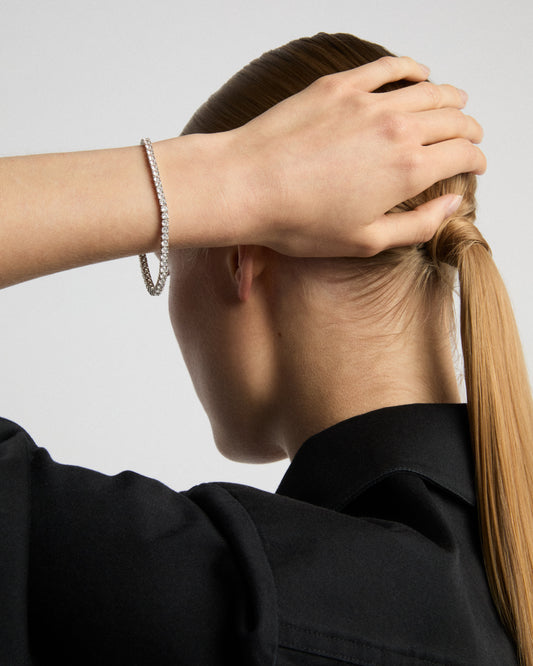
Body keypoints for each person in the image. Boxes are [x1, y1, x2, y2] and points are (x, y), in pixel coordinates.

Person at [0, 30, 529, 665]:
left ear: (241, 257)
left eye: (168, 261)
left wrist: (225, 178)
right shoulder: (503, 584)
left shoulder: (209, 592)